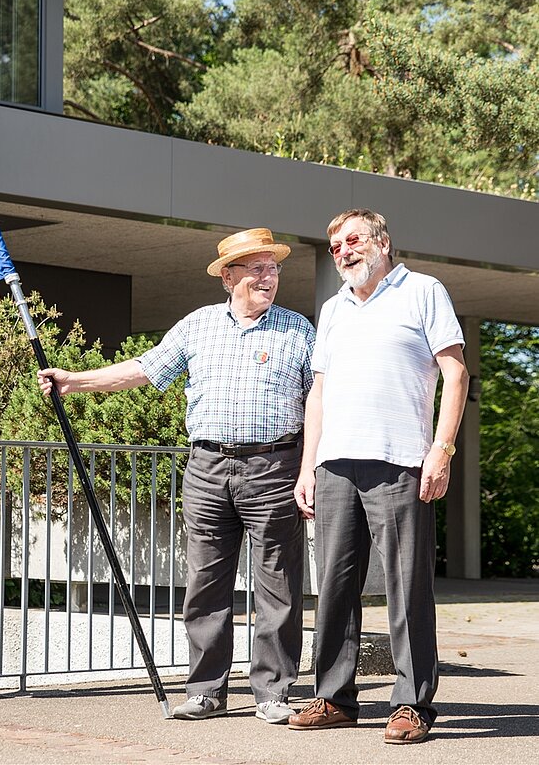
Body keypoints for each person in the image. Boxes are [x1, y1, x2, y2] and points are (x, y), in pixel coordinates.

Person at [37, 228, 315, 723]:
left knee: (279, 584)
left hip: (274, 465)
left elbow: (320, 398)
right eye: (255, 268)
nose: (267, 277)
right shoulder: (198, 326)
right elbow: (145, 369)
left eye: (272, 268)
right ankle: (205, 691)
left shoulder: (298, 330)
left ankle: (273, 693)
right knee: (205, 583)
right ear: (228, 277)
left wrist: (311, 465)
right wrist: (73, 381)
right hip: (206, 467)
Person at [289, 208, 469, 744]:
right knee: (335, 587)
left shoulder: (423, 291)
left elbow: (456, 372)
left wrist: (442, 449)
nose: (343, 250)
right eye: (336, 245)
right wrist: (308, 465)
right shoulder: (333, 309)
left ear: (382, 242)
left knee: (406, 585)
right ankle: (334, 698)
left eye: (353, 239)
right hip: (337, 463)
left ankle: (412, 703)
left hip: (401, 461)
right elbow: (318, 392)